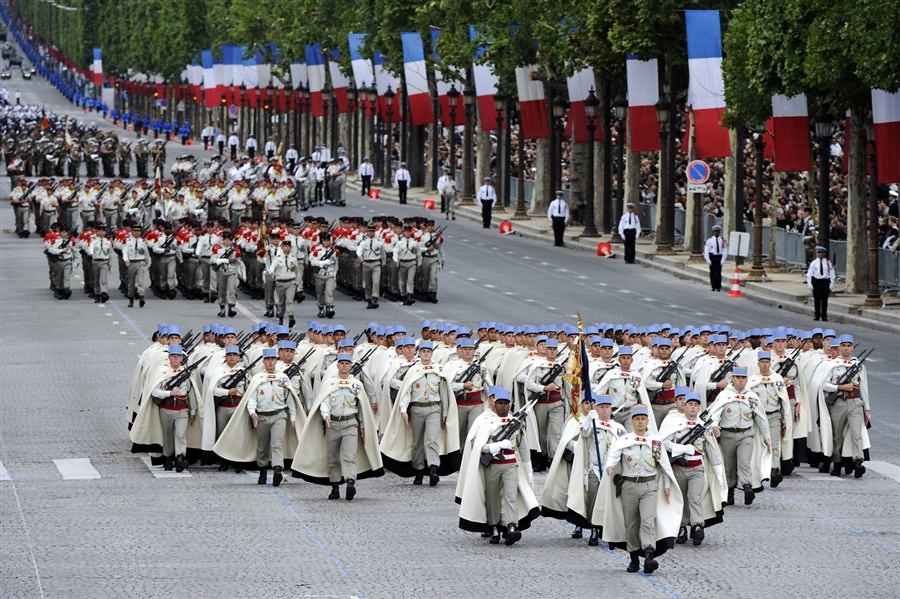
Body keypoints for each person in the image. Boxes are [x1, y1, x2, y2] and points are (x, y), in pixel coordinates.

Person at [602, 405, 681, 574]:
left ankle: (649, 554)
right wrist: (610, 466)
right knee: (631, 524)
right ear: (632, 421)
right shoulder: (624, 441)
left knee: (648, 520)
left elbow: (663, 465)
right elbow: (613, 455)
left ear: (647, 421)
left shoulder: (654, 441)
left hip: (649, 485)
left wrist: (667, 485)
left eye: (643, 419)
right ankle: (633, 557)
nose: (640, 422)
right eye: (637, 419)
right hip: (629, 486)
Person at [456, 386, 538, 545]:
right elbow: (475, 444)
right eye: (499, 402)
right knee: (492, 497)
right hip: (491, 464)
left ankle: (511, 526)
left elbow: (523, 446)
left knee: (511, 496)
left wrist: (528, 470)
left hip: (511, 464)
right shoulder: (484, 421)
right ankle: (493, 526)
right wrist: (493, 447)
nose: (502, 406)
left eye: (506, 403)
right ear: (492, 402)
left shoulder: (515, 421)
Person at [381, 341, 459, 486]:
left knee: (432, 439)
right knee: (417, 442)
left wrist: (445, 412)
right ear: (419, 353)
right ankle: (418, 470)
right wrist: (403, 409)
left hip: (434, 408)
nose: (426, 354)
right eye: (423, 351)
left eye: (428, 352)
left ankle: (433, 468)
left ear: (431, 353)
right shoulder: (413, 370)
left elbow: (445, 393)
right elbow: (406, 392)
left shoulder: (438, 370)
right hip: (416, 409)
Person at [657, 391, 726, 546]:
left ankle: (697, 526)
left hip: (697, 467)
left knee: (695, 498)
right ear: (685, 407)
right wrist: (680, 448)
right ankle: (681, 527)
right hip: (679, 466)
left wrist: (719, 472)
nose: (693, 408)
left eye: (696, 405)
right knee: (680, 498)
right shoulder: (674, 423)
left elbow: (712, 450)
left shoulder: (703, 426)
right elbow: (664, 443)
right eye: (690, 404)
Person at [707, 367, 772, 506]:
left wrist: (767, 438)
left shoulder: (751, 396)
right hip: (727, 434)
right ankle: (729, 492)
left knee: (744, 462)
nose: (740, 381)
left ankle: (747, 487)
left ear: (746, 380)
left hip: (746, 434)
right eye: (738, 378)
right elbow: (715, 413)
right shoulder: (725, 395)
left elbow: (761, 418)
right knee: (728, 465)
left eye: (743, 378)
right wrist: (714, 425)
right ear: (733, 379)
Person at [813, 334, 871, 478]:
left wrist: (867, 408)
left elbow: (864, 387)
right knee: (836, 436)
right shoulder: (832, 365)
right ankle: (837, 462)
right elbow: (824, 385)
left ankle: (858, 461)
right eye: (843, 346)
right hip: (838, 403)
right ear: (839, 348)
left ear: (852, 347)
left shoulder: (858, 365)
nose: (846, 349)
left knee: (856, 434)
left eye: (849, 346)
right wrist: (840, 387)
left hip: (855, 402)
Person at [149, 345, 198, 473]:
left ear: (182, 358)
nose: (175, 359)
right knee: (167, 435)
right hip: (165, 409)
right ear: (169, 358)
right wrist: (170, 393)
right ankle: (168, 458)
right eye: (173, 356)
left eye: (178, 356)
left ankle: (180, 458)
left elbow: (191, 393)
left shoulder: (185, 373)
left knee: (180, 435)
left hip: (182, 410)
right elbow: (155, 392)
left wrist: (193, 410)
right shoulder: (162, 372)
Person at [356, 223, 385, 309]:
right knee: (367, 283)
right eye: (369, 231)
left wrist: (383, 263)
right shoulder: (363, 241)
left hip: (376, 263)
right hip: (366, 263)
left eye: (373, 231)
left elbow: (383, 253)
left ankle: (375, 297)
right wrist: (360, 257)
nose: (371, 233)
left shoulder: (379, 242)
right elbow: (359, 250)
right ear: (367, 231)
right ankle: (368, 298)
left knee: (376, 282)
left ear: (375, 231)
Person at [310, 233, 338, 319]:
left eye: (328, 240)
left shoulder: (334, 251)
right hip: (320, 274)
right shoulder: (316, 250)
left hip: (330, 275)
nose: (326, 242)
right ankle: (321, 308)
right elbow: (312, 261)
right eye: (324, 240)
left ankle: (330, 308)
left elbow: (336, 264)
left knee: (329, 292)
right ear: (321, 241)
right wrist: (322, 263)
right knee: (320, 292)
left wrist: (334, 275)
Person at [806, 246, 835, 321]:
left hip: (825, 282)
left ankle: (824, 316)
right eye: (818, 252)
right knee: (817, 300)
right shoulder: (814, 263)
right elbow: (809, 274)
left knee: (825, 300)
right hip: (816, 281)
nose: (819, 254)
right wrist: (810, 284)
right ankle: (817, 315)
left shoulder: (828, 263)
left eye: (821, 252)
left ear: (824, 254)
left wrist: (831, 285)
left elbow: (832, 274)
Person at [123, 223, 148, 308]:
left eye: (138, 231)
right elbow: (124, 251)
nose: (137, 233)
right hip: (131, 263)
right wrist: (126, 260)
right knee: (131, 282)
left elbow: (146, 253)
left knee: (141, 281)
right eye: (135, 231)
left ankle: (141, 297)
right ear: (132, 232)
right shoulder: (128, 241)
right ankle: (131, 299)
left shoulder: (143, 241)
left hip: (140, 262)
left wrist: (148, 263)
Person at [393, 226, 420, 306]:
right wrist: (396, 260)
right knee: (402, 282)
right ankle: (403, 295)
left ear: (411, 232)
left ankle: (410, 296)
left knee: (410, 280)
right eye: (406, 232)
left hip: (412, 262)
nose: (407, 233)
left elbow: (418, 254)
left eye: (409, 232)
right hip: (402, 263)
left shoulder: (414, 243)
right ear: (403, 232)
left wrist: (419, 263)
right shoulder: (399, 243)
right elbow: (395, 252)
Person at [87, 226, 112, 303]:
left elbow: (109, 253)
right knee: (97, 279)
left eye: (103, 231)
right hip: (96, 261)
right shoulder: (93, 241)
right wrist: (91, 253)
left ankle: (104, 292)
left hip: (104, 262)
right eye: (99, 231)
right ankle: (97, 294)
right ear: (97, 232)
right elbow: (90, 249)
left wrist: (109, 263)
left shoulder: (107, 242)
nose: (101, 233)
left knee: (103, 278)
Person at [703, 225, 728, 291]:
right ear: (713, 232)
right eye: (715, 231)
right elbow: (706, 251)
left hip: (719, 257)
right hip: (712, 257)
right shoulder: (709, 240)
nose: (716, 233)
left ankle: (718, 286)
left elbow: (725, 250)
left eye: (718, 231)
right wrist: (708, 260)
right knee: (712, 272)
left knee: (718, 273)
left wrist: (723, 260)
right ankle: (713, 286)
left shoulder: (723, 240)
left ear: (720, 232)